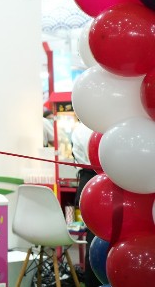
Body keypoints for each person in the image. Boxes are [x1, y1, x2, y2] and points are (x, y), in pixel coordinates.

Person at [71, 119, 100, 287]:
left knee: (93, 238)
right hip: (98, 182)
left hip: (85, 183)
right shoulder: (98, 128)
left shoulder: (78, 129)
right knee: (98, 240)